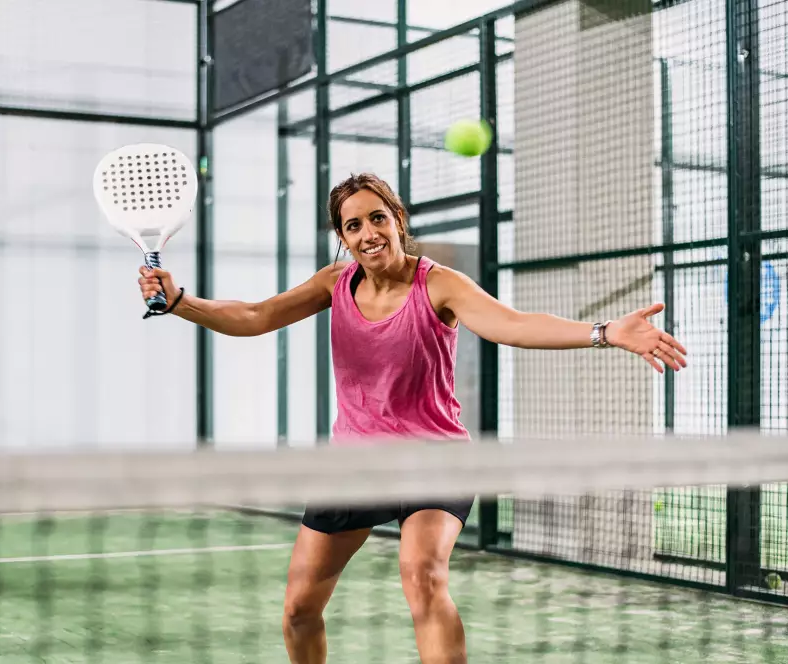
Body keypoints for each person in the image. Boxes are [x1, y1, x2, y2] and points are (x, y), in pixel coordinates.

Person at [138, 173, 687, 664]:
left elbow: (510, 324)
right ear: (343, 238)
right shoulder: (335, 284)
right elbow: (256, 316)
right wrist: (182, 300)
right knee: (298, 611)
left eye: (377, 217)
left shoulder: (439, 284)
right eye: (353, 225)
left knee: (423, 577)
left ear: (397, 220)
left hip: (435, 459)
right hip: (354, 465)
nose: (368, 232)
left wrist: (603, 332)